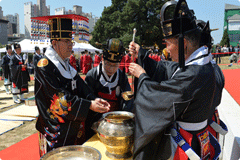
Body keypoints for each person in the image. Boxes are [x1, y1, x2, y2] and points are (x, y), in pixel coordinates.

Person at [128, 0, 225, 159]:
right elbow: (169, 69)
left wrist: (142, 76)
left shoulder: (194, 74)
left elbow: (158, 99)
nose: (166, 49)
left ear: (183, 43)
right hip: (198, 136)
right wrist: (142, 55)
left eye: (167, 43)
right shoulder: (205, 66)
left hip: (185, 144)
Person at [33, 15, 110, 157]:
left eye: (71, 41)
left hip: (72, 126)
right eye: (67, 41)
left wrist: (94, 99)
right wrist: (89, 105)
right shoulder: (44, 66)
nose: (71, 45)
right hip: (55, 130)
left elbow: (82, 87)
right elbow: (59, 99)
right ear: (55, 43)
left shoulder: (66, 64)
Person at [85, 38, 133, 140]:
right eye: (107, 64)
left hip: (116, 122)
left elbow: (127, 99)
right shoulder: (92, 75)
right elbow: (87, 97)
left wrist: (123, 119)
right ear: (102, 59)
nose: (111, 69)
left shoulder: (122, 76)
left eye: (115, 65)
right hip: (95, 121)